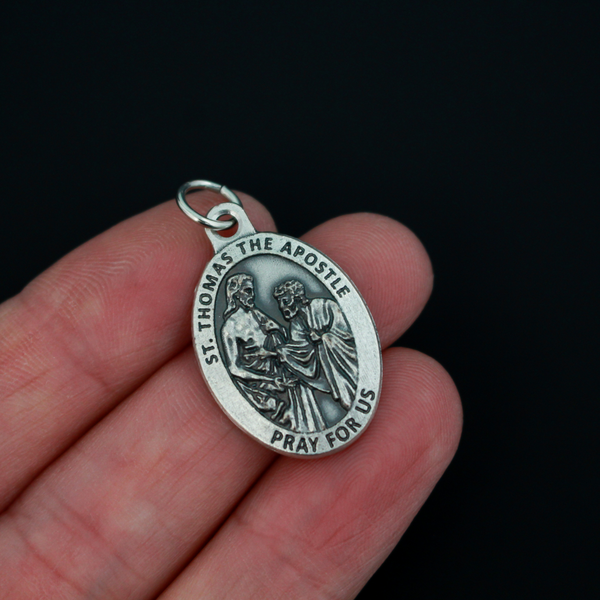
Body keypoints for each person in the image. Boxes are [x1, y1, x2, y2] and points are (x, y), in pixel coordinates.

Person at [0, 196, 461, 598]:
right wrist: (270, 367)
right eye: (243, 291)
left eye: (248, 291)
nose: (248, 296)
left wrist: (285, 353)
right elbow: (237, 366)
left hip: (293, 379)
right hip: (273, 385)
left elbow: (290, 342)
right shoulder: (231, 323)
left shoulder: (270, 315)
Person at [273, 279, 359, 413]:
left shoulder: (325, 306)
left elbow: (348, 332)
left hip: (342, 354)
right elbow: (301, 348)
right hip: (321, 359)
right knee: (285, 352)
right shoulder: (296, 323)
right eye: (280, 303)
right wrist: (283, 352)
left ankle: (348, 390)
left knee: (328, 341)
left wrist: (323, 337)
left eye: (285, 301)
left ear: (297, 297)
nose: (282, 307)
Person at [220, 273, 288, 417]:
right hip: (258, 380)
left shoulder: (257, 314)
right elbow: (234, 369)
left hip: (278, 371)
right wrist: (268, 379)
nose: (252, 295)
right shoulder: (230, 327)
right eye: (247, 291)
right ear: (236, 294)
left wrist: (274, 336)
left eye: (252, 290)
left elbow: (282, 332)